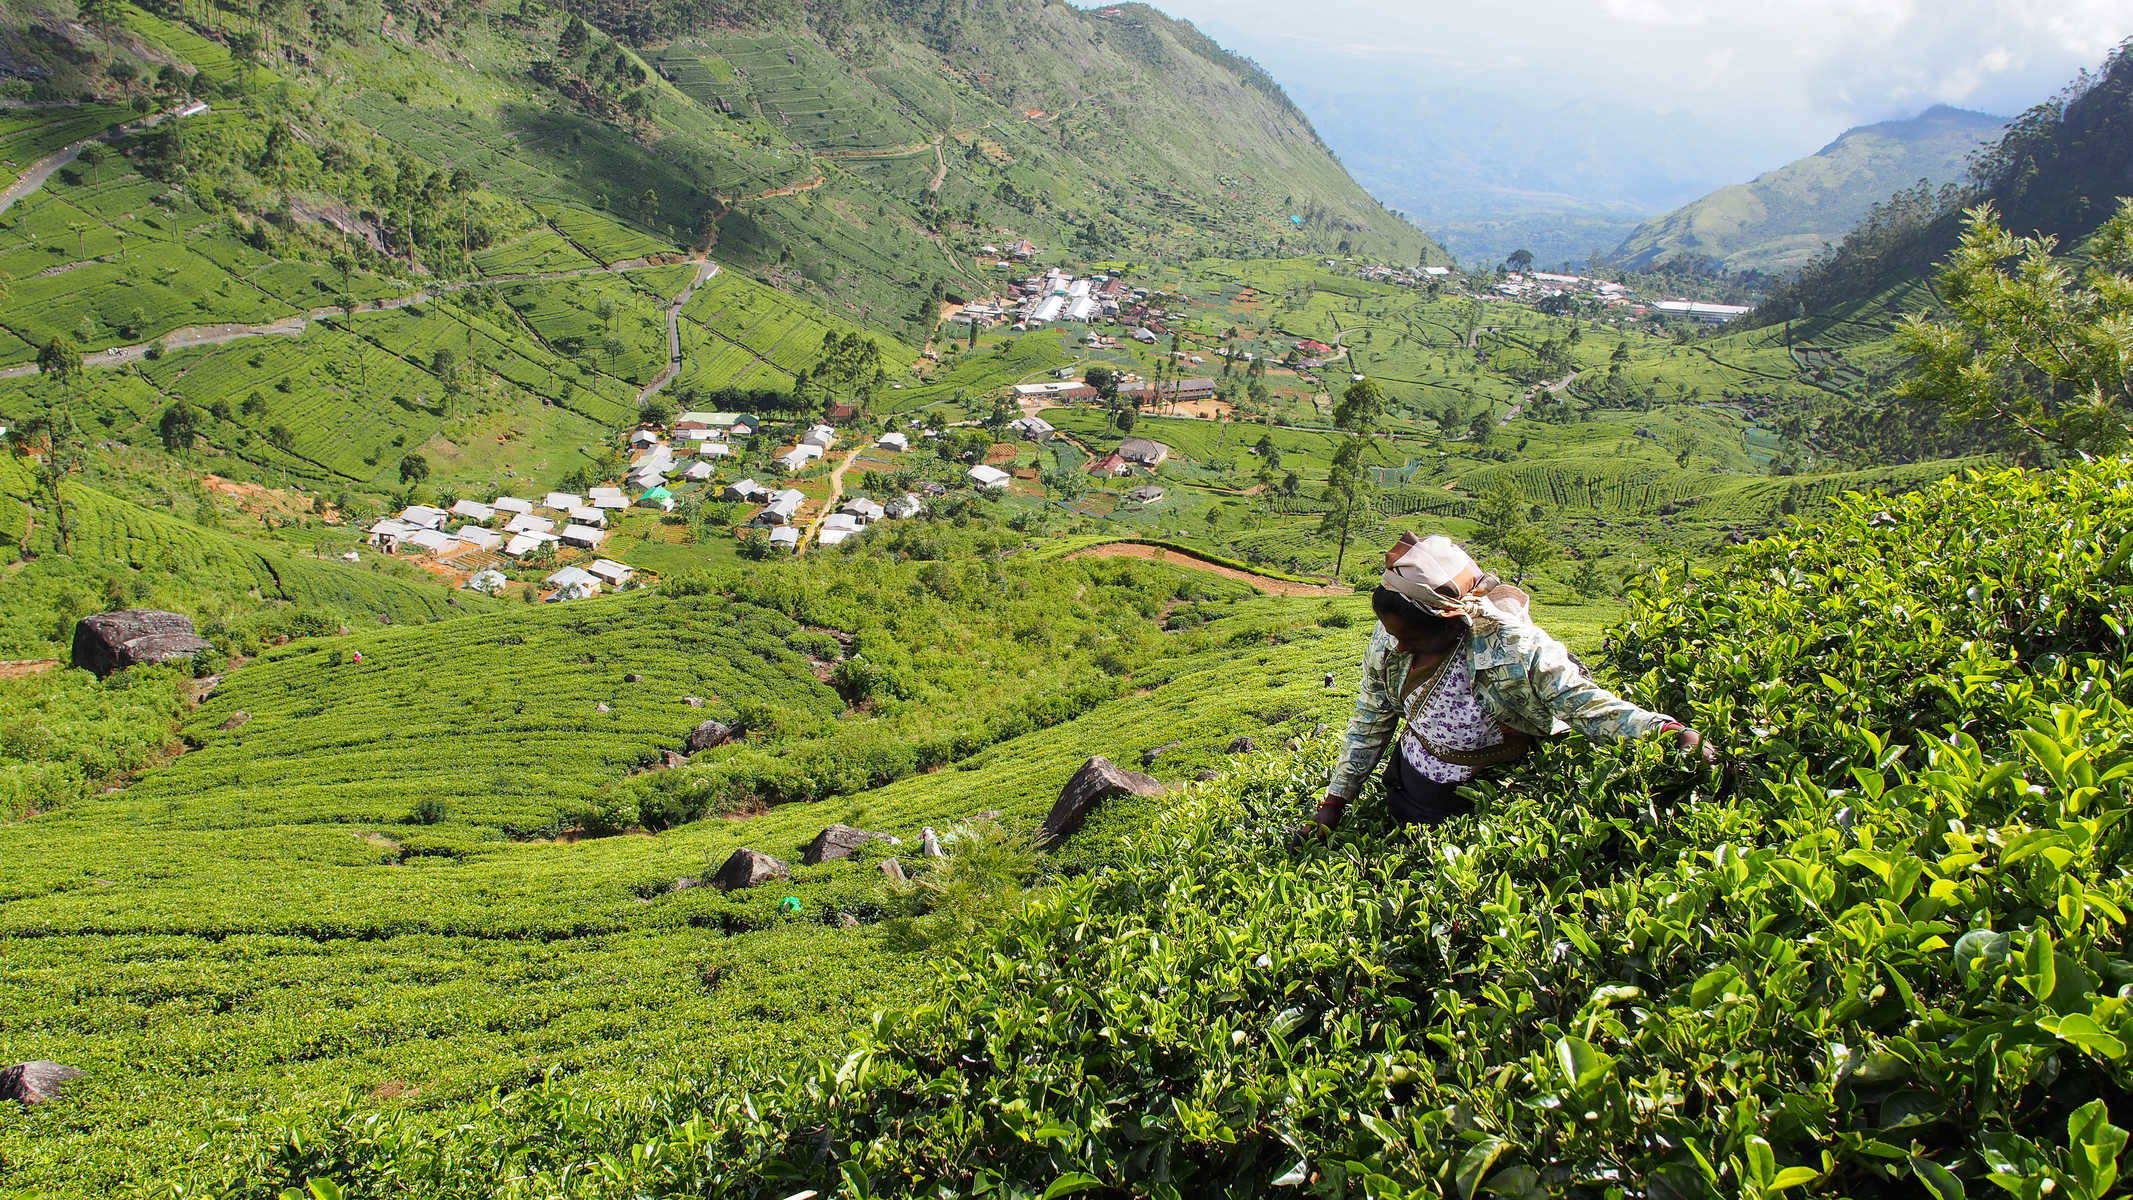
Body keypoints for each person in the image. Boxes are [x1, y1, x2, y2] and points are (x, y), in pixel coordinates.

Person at [1302, 532, 1714, 838]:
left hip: (1478, 800)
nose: (1398, 646)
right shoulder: (1391, 634)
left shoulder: (1512, 647)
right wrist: (1335, 801)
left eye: (1410, 638)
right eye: (1391, 633)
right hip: (1408, 775)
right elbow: (1371, 718)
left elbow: (1579, 699)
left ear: (1452, 620)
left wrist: (1665, 731)